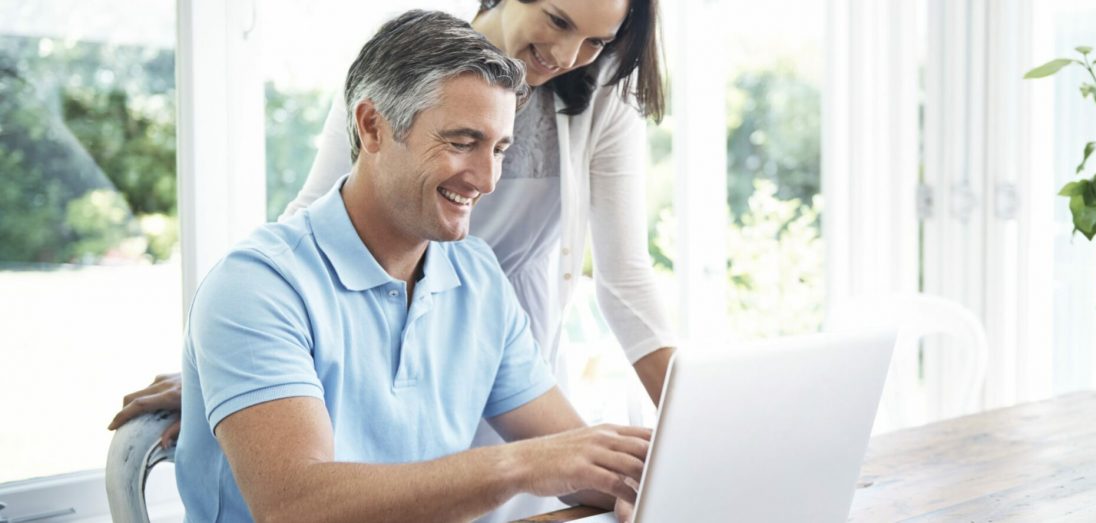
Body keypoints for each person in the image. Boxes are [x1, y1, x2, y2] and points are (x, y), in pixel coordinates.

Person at [111, 0, 675, 519]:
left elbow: (588, 469)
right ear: (373, 126)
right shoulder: (255, 288)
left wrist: (661, 468)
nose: (487, 180)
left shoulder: (478, 281)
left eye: (500, 149)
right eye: (460, 142)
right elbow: (294, 506)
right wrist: (523, 463)